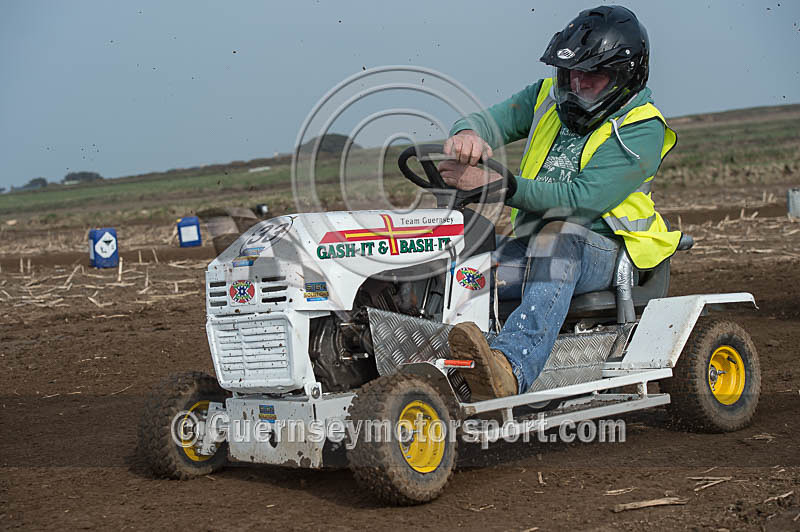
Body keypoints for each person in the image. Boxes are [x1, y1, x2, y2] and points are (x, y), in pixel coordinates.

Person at [439, 5, 681, 399]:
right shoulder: (545, 97)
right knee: (461, 259)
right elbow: (487, 121)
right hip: (537, 246)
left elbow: (580, 202)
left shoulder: (642, 127)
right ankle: (437, 359)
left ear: (625, 77)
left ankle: (511, 366)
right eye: (570, 73)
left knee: (559, 232)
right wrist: (467, 134)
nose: (577, 84)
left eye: (592, 76)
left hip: (608, 252)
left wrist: (500, 185)